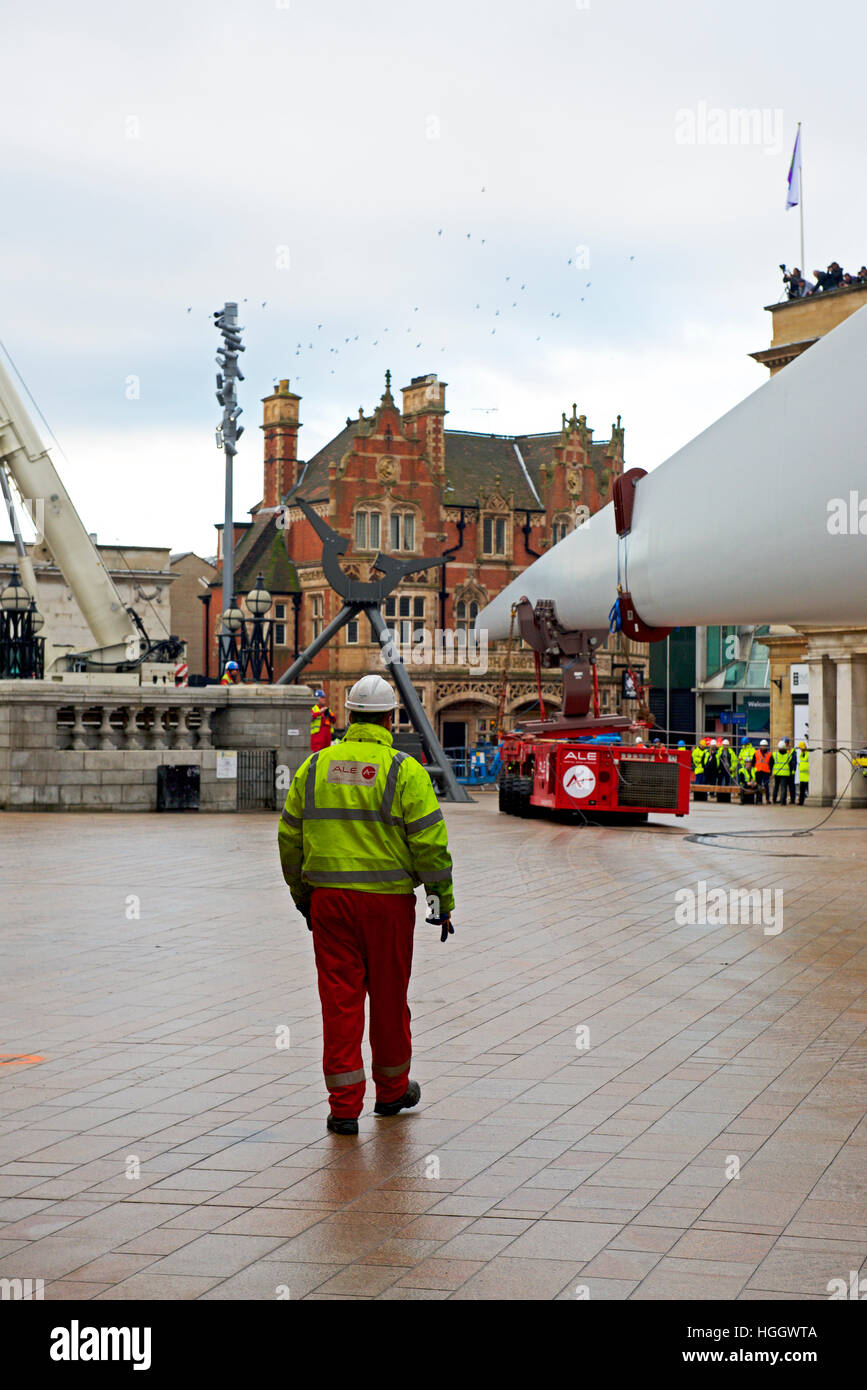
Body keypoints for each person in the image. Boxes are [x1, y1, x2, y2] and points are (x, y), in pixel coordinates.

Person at [278, 673, 455, 1136]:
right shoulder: (405, 770)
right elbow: (430, 844)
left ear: (349, 714)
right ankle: (392, 1092)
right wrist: (440, 900)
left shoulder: (315, 767)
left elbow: (289, 838)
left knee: (340, 1002)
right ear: (391, 719)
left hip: (329, 904)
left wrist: (304, 897)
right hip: (388, 906)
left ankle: (343, 1108)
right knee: (390, 1000)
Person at [310, 688, 337, 752]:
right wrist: (320, 712)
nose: (324, 699)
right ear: (317, 699)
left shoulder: (327, 709)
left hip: (327, 737)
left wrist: (330, 714)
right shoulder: (313, 708)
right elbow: (309, 717)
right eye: (322, 697)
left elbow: (334, 720)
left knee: (326, 754)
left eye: (324, 697)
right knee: (316, 755)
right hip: (317, 737)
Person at [772, 738, 795, 804]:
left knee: (776, 787)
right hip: (785, 774)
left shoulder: (774, 754)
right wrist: (791, 772)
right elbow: (791, 765)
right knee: (783, 788)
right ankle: (783, 801)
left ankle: (774, 800)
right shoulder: (788, 756)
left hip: (777, 773)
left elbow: (772, 763)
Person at [753, 739, 772, 803]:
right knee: (759, 786)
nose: (763, 747)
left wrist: (770, 771)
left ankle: (767, 799)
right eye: (762, 746)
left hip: (766, 772)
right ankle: (759, 799)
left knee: (766, 786)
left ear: (766, 746)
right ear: (760, 746)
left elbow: (771, 763)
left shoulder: (769, 754)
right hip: (758, 772)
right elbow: (753, 762)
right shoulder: (756, 753)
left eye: (764, 746)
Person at [796, 740, 810, 805]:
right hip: (802, 776)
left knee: (808, 790)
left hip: (808, 776)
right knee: (802, 791)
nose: (801, 749)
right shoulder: (801, 755)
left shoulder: (808, 754)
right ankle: (801, 802)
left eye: (801, 748)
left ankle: (809, 801)